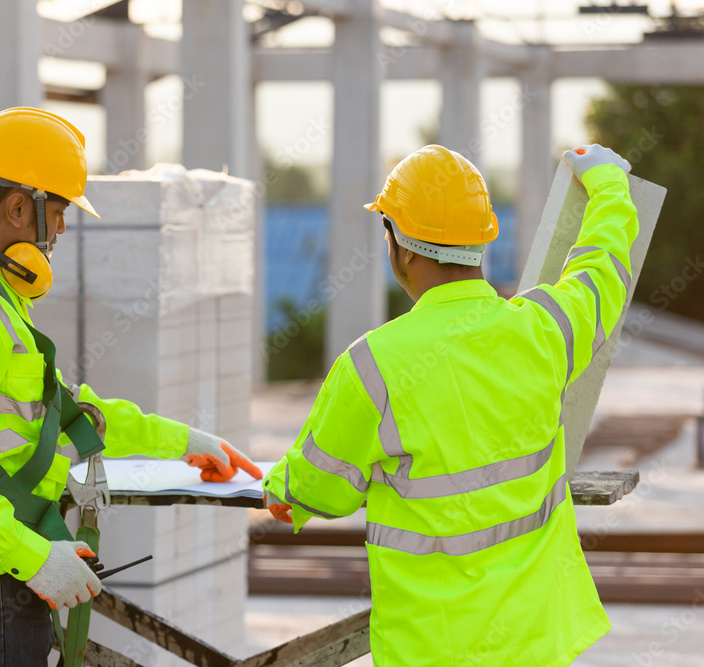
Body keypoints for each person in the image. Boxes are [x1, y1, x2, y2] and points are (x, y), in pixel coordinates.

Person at [0, 107, 261, 666]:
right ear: (19, 208)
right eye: (60, 212)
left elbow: (71, 416)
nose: (62, 229)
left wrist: (186, 442)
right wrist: (34, 558)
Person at [262, 144, 637, 666]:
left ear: (403, 247)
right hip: (535, 643)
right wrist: (609, 183)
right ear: (482, 237)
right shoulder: (543, 332)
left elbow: (316, 489)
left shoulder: (372, 366)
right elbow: (603, 270)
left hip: (432, 650)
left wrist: (283, 493)